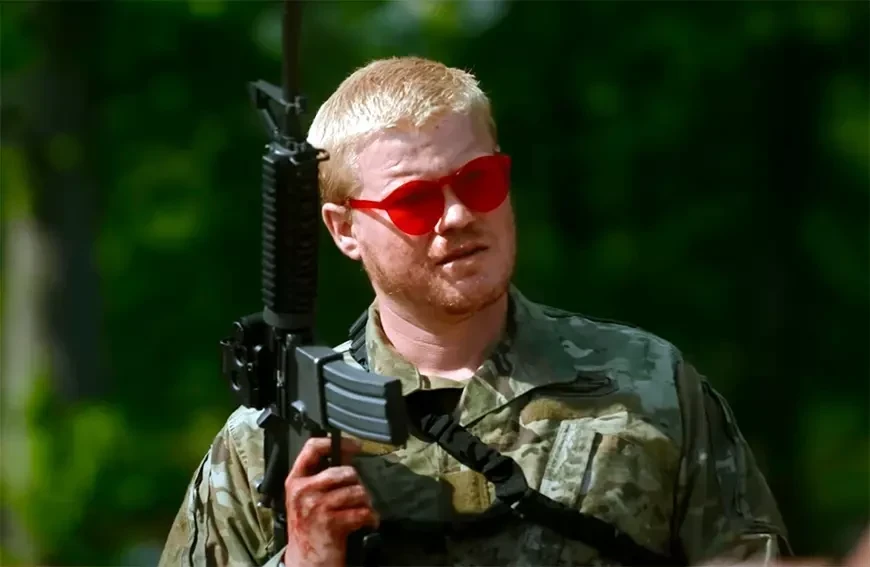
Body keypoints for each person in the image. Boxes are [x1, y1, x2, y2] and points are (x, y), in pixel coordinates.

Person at [158, 56, 790, 567]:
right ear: (344, 229)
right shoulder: (266, 447)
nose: (459, 215)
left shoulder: (649, 386)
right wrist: (304, 559)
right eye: (414, 201)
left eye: (479, 180)